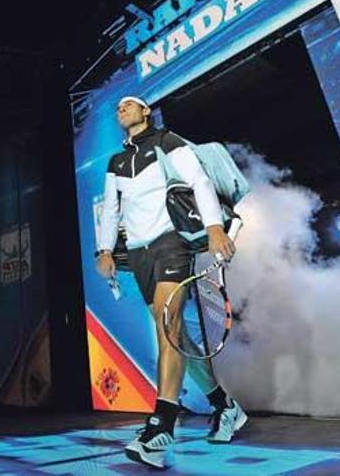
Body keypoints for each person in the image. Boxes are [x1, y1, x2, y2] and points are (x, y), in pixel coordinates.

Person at [94, 96, 248, 469]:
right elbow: (112, 208)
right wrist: (104, 250)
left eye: (130, 105)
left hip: (170, 242)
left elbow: (197, 181)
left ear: (145, 111)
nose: (122, 110)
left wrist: (213, 228)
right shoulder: (115, 162)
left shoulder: (167, 141)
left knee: (168, 326)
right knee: (176, 335)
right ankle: (224, 406)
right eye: (118, 109)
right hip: (139, 251)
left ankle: (160, 428)